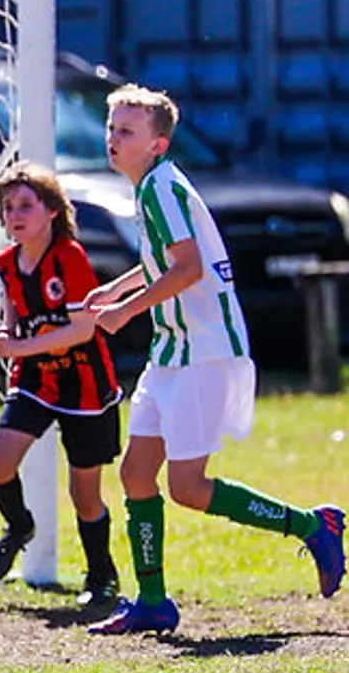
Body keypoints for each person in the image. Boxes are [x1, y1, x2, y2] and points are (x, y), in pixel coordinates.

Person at [84, 85, 343, 633]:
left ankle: (313, 526)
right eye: (111, 128)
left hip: (203, 351)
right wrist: (115, 290)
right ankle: (153, 601)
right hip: (172, 351)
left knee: (188, 489)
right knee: (135, 474)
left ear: (157, 144)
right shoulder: (149, 187)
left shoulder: (161, 188)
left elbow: (189, 269)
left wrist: (126, 310)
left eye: (126, 131)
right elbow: (165, 263)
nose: (113, 139)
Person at [0, 161, 123, 620]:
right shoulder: (6, 264)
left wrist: (20, 345)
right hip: (37, 380)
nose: (15, 215)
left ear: (52, 212)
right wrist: (5, 336)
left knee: (85, 493)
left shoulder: (69, 258)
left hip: (85, 384)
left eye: (25, 205)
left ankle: (101, 576)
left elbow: (82, 330)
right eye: (8, 207)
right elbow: (14, 315)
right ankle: (19, 527)